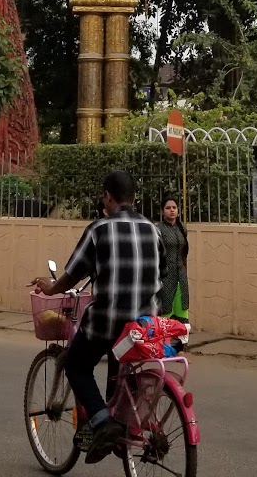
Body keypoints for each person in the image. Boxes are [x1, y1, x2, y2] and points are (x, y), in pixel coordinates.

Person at [33, 170, 161, 463]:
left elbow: (72, 275)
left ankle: (104, 421)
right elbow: (162, 272)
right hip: (144, 324)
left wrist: (51, 287)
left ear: (107, 197)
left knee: (75, 364)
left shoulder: (99, 230)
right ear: (134, 197)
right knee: (121, 366)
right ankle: (119, 425)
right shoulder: (153, 230)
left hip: (108, 320)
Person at [156, 196, 190, 326]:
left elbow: (184, 253)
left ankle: (182, 342)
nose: (172, 210)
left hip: (181, 276)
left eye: (174, 208)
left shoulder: (181, 228)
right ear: (162, 211)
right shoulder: (158, 229)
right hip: (165, 277)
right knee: (165, 310)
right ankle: (165, 343)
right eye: (168, 208)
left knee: (182, 308)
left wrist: (184, 272)